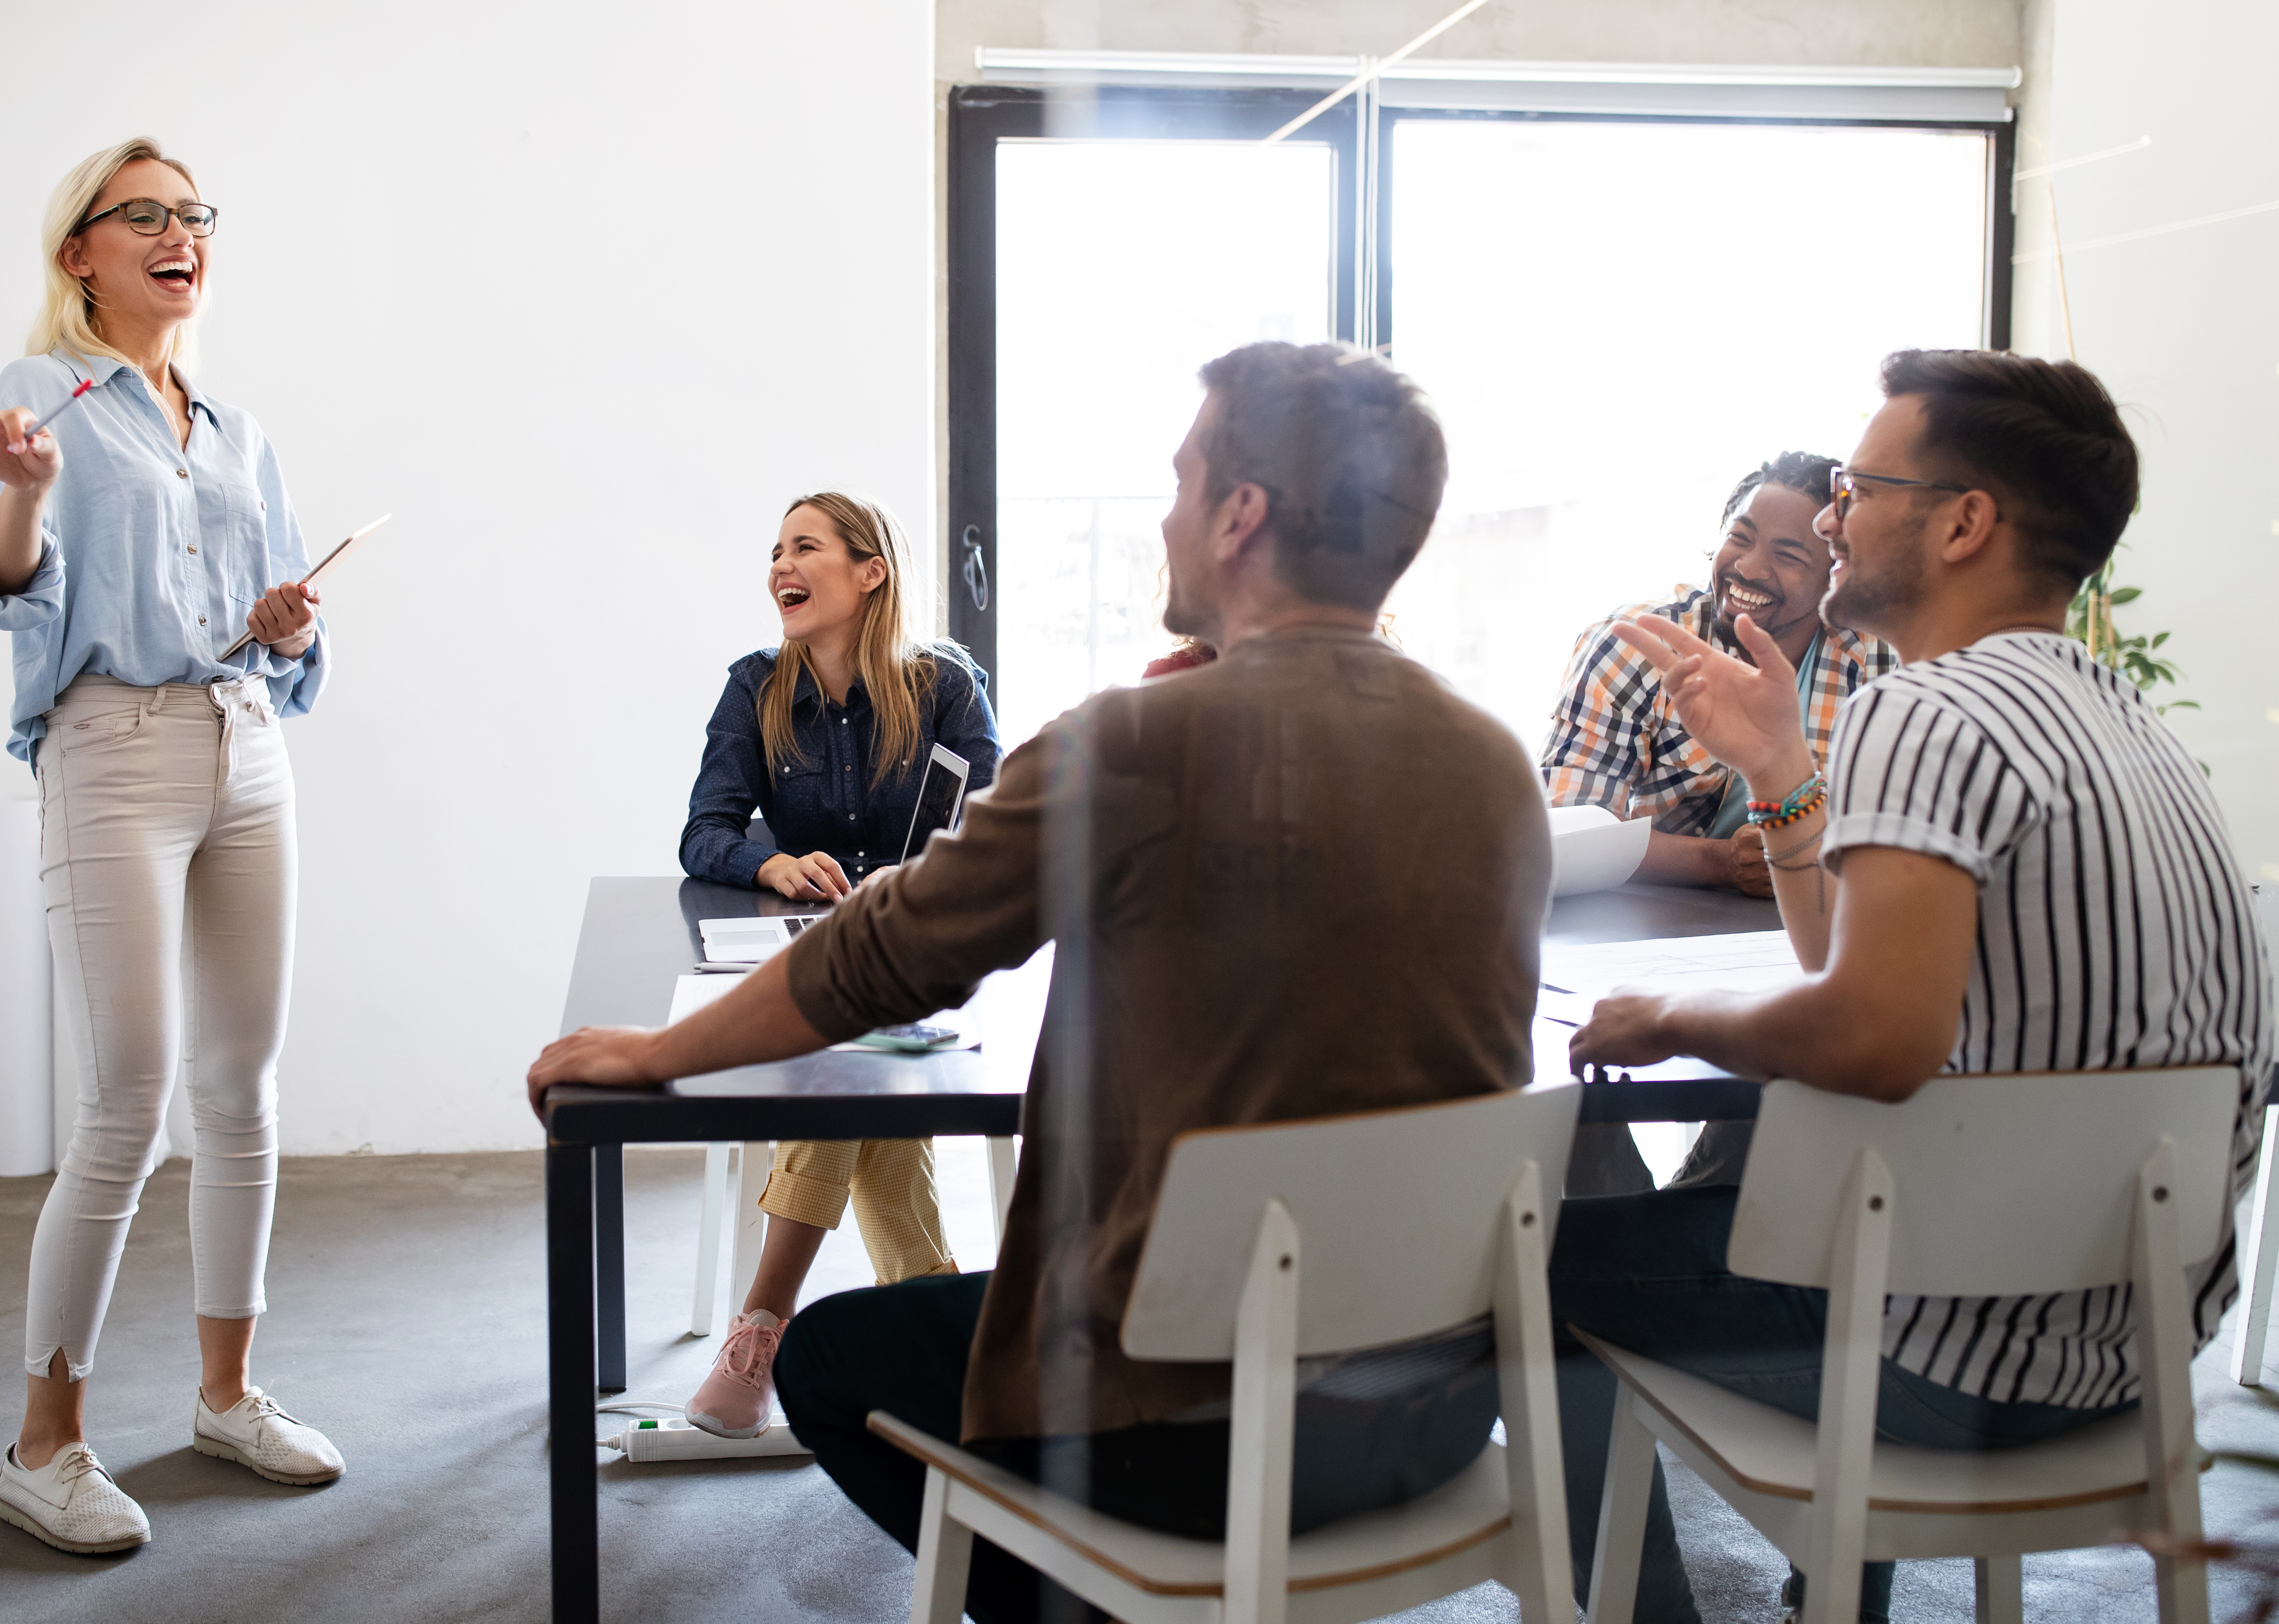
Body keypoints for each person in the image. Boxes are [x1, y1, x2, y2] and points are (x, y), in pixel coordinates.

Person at [533, 340, 1552, 1624]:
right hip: (1431, 1412)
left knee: (837, 1358)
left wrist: (654, 1053)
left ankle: (1072, 1594)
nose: (1165, 516)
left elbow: (883, 951)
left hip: (1166, 1430)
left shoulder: (1129, 744)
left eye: (1182, 483)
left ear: (1240, 517)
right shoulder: (1494, 763)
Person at [1550, 350, 2274, 1624]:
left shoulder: (1925, 711)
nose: (1828, 518)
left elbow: (1873, 1032)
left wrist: (1665, 1018)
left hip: (1950, 1366)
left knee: (1524, 1265)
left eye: (1854, 486)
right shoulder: (2125, 719)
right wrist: (1777, 764)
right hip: (2129, 1358)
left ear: (1960, 522)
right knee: (1836, 1207)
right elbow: (1858, 961)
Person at [0, 138, 346, 1556]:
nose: (179, 235)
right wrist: (22, 488)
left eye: (195, 215)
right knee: (128, 1093)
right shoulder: (41, 396)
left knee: (240, 1085)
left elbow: (285, 619)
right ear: (80, 253)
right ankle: (45, 1444)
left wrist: (292, 623)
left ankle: (227, 1392)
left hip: (248, 741)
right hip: (111, 747)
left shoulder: (235, 424)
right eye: (145, 215)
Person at [674, 491, 1000, 1437]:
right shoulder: (754, 688)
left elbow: (993, 828)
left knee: (846, 1049)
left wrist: (912, 887)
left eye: (804, 546)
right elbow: (705, 832)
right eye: (774, 548)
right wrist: (767, 861)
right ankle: (942, 1335)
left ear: (871, 572)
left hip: (923, 960)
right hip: (817, 963)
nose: (780, 563)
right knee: (856, 1059)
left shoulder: (944, 688)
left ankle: (761, 1325)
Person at [1540, 453, 1896, 902]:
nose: (1747, 568)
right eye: (1739, 538)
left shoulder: (1878, 658)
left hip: (1820, 914)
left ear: (1835, 573)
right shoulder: (1637, 643)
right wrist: (1722, 862)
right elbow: (1568, 829)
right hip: (1656, 918)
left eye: (1786, 556)